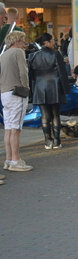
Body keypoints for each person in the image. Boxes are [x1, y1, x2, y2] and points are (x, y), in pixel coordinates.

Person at [28, 33, 70, 149]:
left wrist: (31, 91)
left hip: (39, 87)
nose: (54, 43)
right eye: (52, 41)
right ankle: (57, 141)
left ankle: (48, 141)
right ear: (46, 42)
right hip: (55, 86)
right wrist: (65, 89)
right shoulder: (56, 54)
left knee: (45, 116)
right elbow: (62, 73)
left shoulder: (33, 56)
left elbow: (30, 76)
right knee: (56, 115)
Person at [0, 31, 32, 172]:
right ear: (16, 41)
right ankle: (15, 160)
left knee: (8, 128)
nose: (24, 44)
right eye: (22, 40)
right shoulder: (18, 52)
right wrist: (26, 88)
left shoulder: (3, 55)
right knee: (16, 129)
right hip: (16, 93)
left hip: (4, 93)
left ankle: (8, 159)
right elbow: (23, 72)